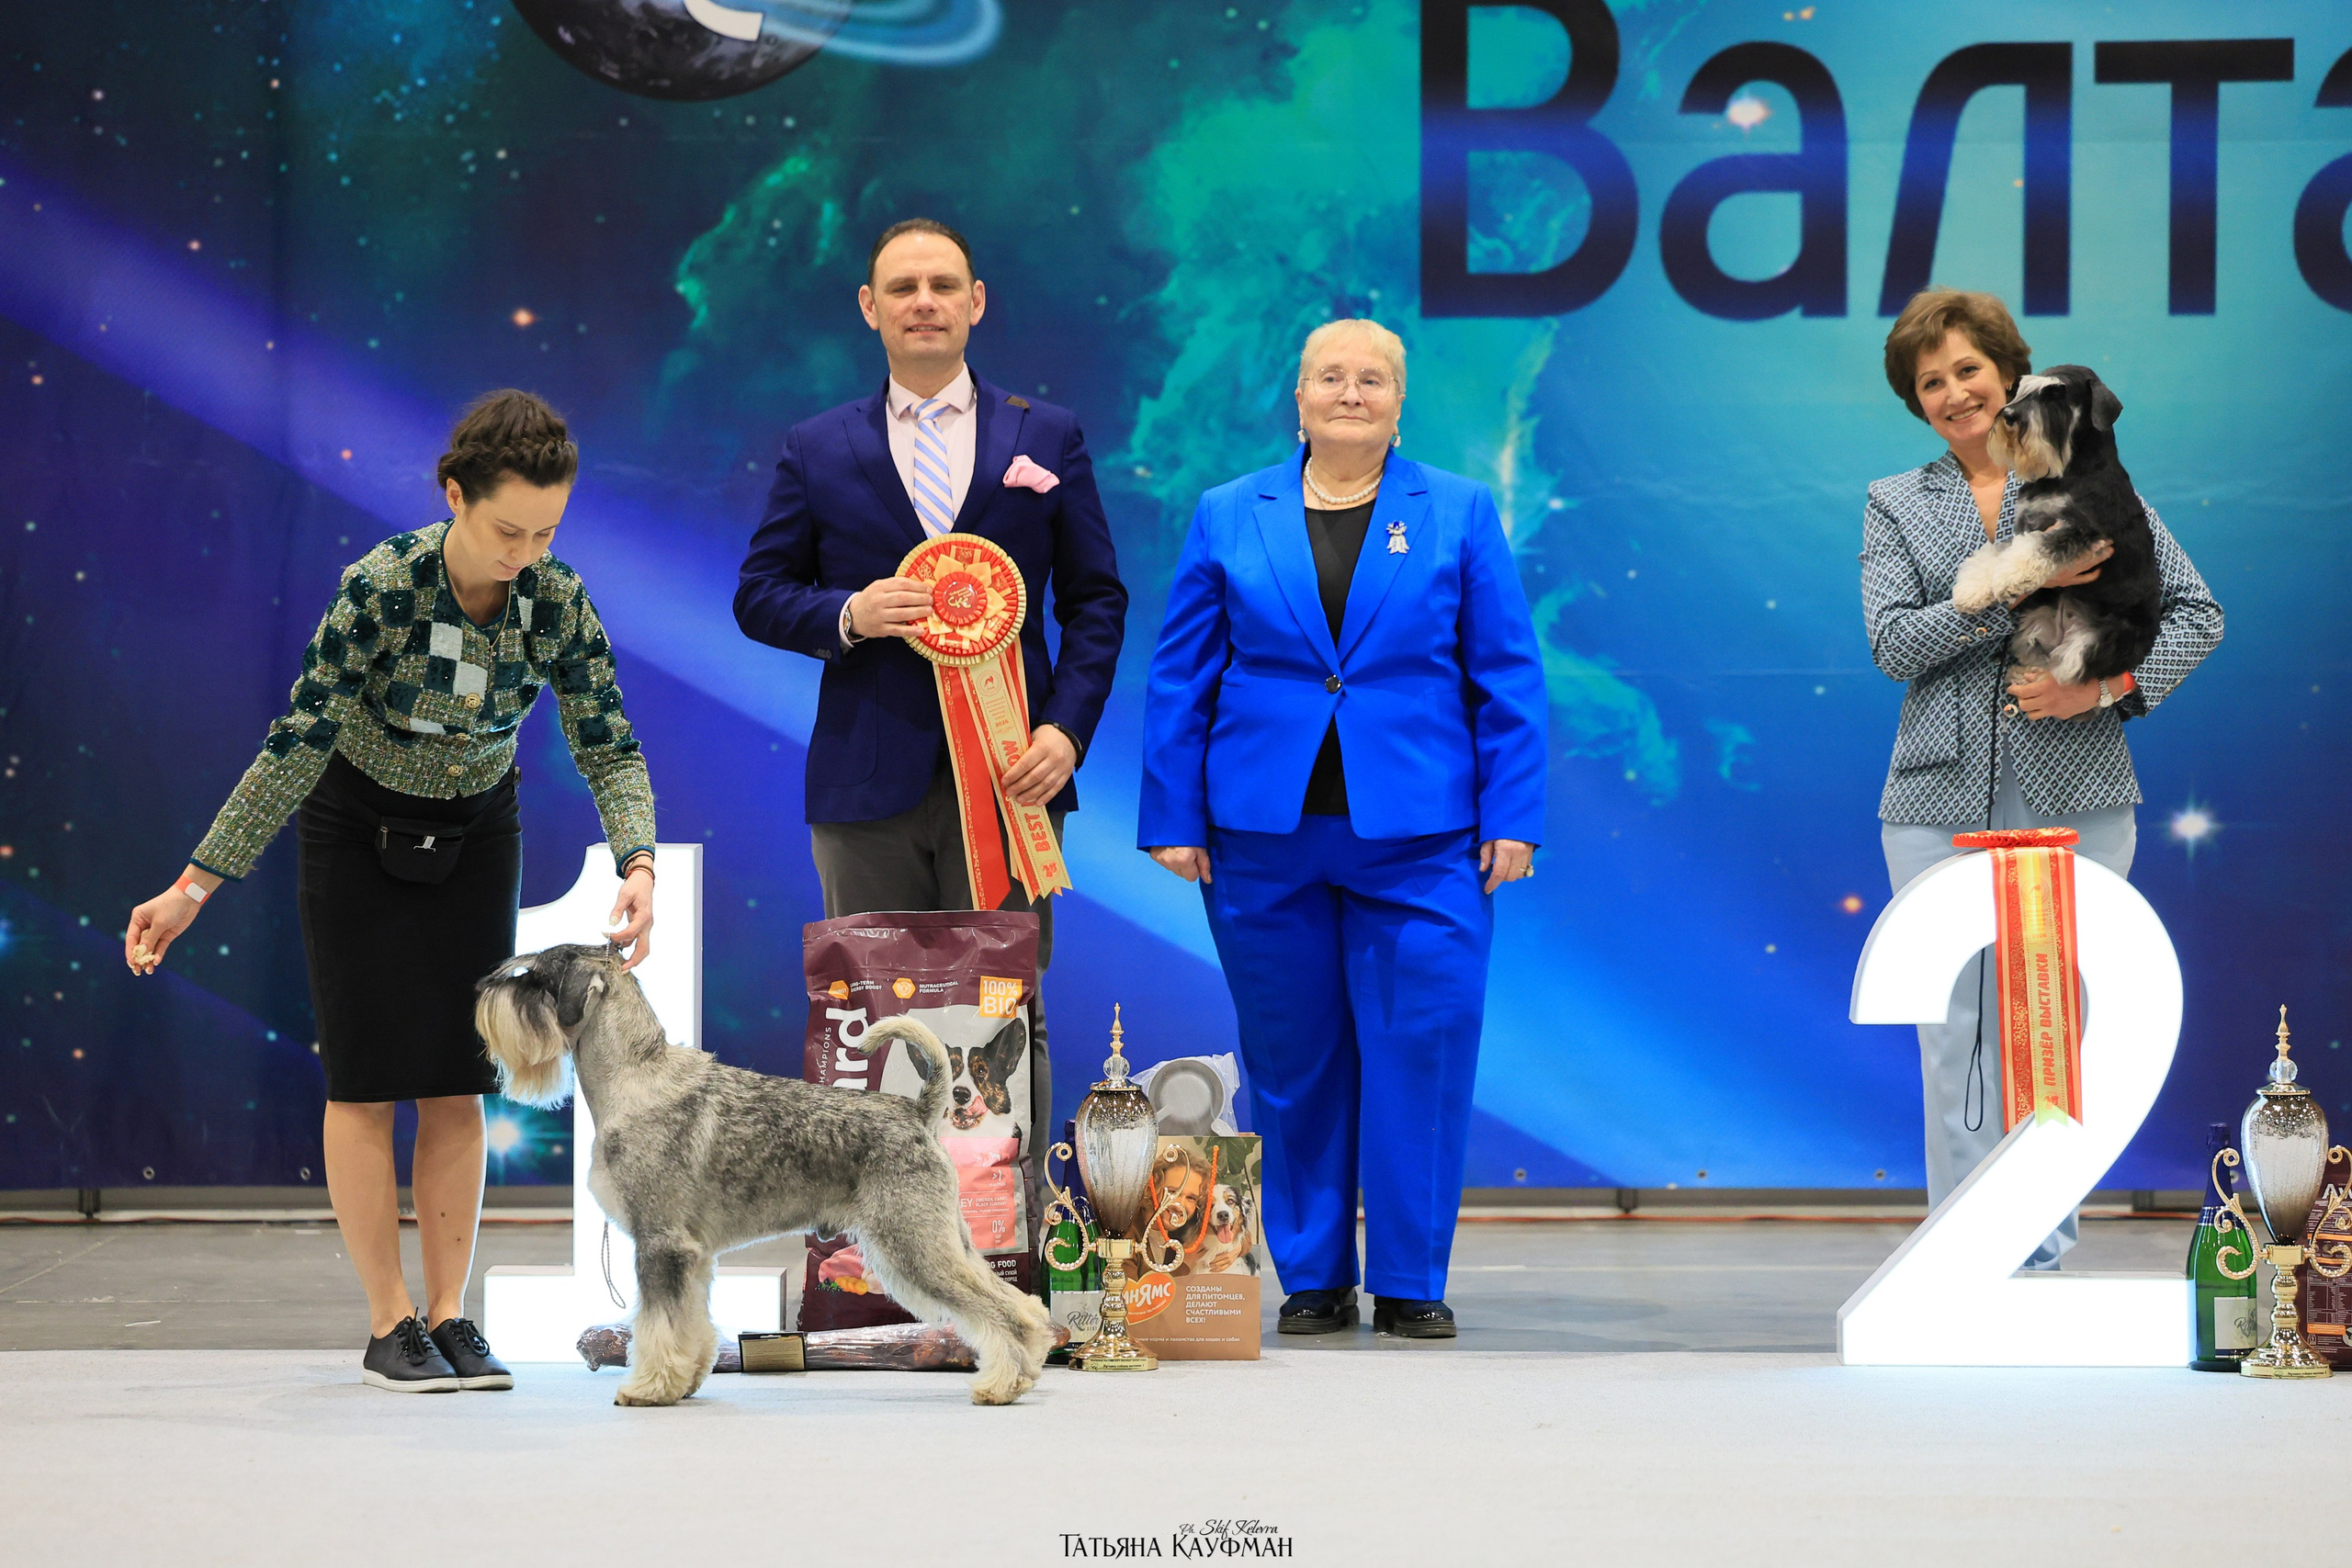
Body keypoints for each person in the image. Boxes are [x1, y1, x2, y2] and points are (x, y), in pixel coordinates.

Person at [123, 390, 658, 1390]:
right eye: (507, 529)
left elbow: (606, 738)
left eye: (546, 530)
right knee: (367, 1076)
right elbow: (297, 743)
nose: (524, 552)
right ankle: (389, 1323)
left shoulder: (559, 599)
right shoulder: (380, 587)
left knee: (461, 1074)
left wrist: (638, 859)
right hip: (355, 830)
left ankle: (452, 1316)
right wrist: (194, 884)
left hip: (478, 831)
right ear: (453, 494)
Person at [1137, 318, 1547, 1338]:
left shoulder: (1455, 511)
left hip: (1424, 843)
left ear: (1399, 402)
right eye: (1331, 375)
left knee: (1423, 1054)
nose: (1351, 392)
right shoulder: (1231, 512)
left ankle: (1411, 1279)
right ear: (1300, 397)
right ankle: (1313, 1275)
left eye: (1373, 378)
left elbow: (1506, 673)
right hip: (1260, 839)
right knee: (1292, 1060)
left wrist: (1514, 814)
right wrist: (1171, 811)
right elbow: (1180, 673)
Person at [733, 217, 1126, 1142]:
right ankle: (870, 1270)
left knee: (1001, 1021)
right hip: (865, 784)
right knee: (868, 1018)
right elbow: (758, 594)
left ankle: (1006, 1258)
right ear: (870, 309)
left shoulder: (1051, 437)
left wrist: (1063, 733)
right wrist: (847, 615)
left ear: (975, 303)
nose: (924, 302)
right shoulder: (816, 445)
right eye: (903, 288)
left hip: (1012, 780)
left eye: (943, 285)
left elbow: (1097, 600)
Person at [1864, 288, 2222, 1267]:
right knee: (1954, 1031)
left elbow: (2196, 613)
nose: (1952, 393)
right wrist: (2014, 587)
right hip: (1935, 801)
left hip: (2079, 800)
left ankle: (2038, 1254)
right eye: (1930, 381)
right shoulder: (1898, 501)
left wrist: (2102, 688)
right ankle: (1960, 1253)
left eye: (1967, 371)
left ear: (2008, 376)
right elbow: (1893, 644)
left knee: (2051, 1024)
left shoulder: (2095, 484)